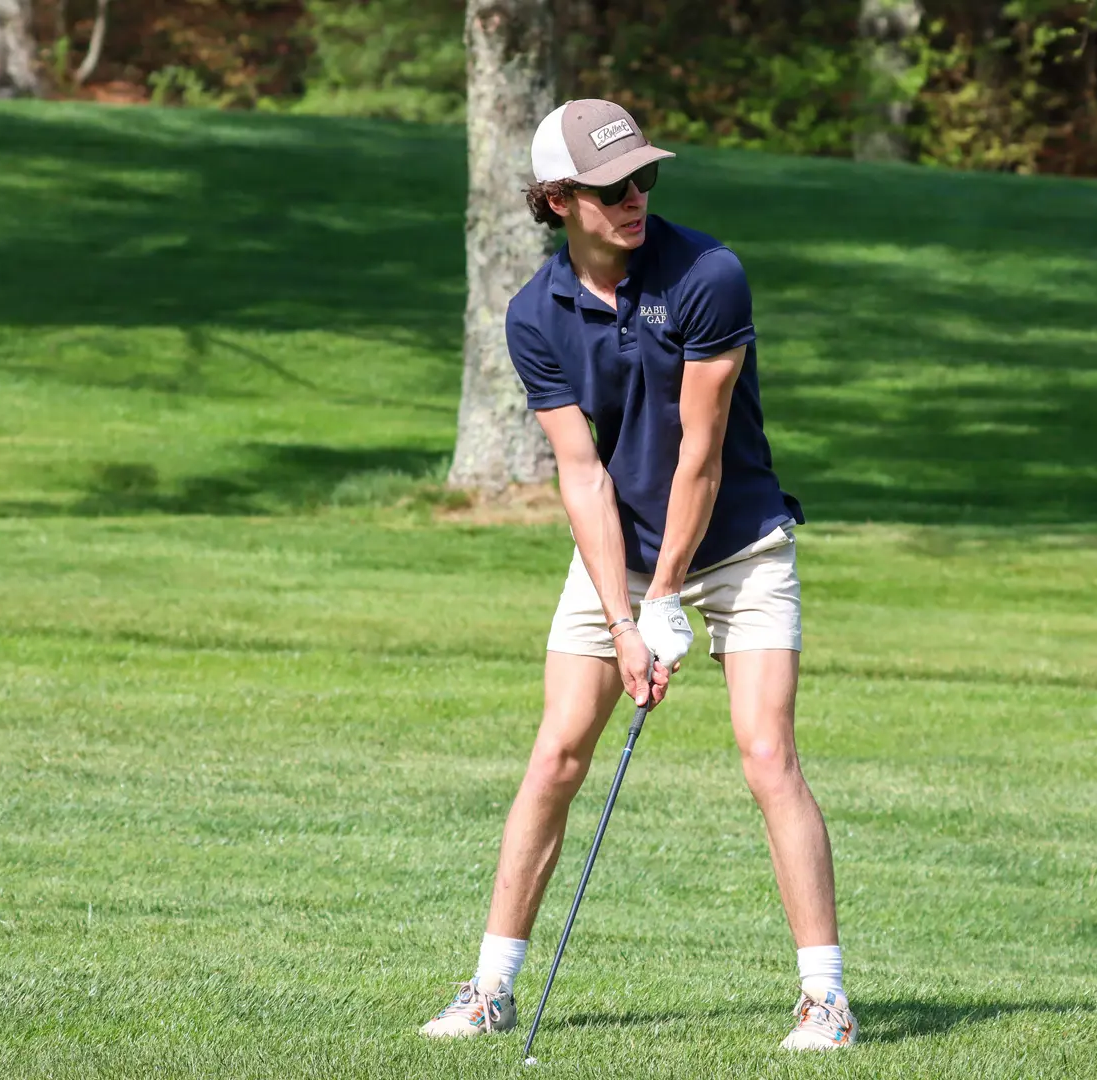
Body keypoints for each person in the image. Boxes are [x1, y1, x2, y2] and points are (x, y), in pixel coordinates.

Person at [419, 99, 854, 1052]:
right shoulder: (534, 315)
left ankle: (827, 1001)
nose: (634, 198)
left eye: (643, 178)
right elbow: (582, 475)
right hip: (617, 553)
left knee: (767, 754)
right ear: (557, 199)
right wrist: (624, 619)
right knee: (556, 755)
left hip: (739, 546)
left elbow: (700, 454)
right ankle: (490, 989)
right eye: (611, 186)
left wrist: (663, 604)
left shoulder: (707, 275)